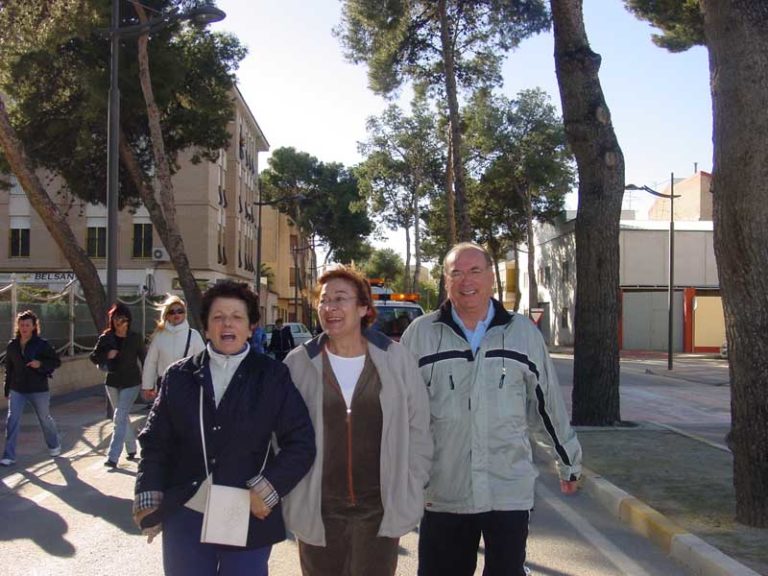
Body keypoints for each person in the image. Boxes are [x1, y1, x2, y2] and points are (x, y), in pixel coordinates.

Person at [401, 243, 582, 576]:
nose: (465, 280)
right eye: (456, 272)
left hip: (507, 491)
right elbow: (401, 414)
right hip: (444, 492)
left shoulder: (522, 334)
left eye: (474, 271)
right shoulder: (421, 335)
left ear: (491, 279)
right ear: (445, 280)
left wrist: (568, 461)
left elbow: (547, 405)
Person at [132, 280, 315, 576]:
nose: (227, 324)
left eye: (237, 317)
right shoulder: (179, 376)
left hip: (247, 510)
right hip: (186, 513)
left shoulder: (272, 376)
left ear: (251, 327)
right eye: (218, 317)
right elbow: (155, 442)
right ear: (205, 327)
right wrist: (148, 492)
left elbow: (301, 443)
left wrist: (268, 488)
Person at [283, 265, 432, 576]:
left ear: (363, 307)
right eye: (324, 300)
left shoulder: (396, 358)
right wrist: (290, 489)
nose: (330, 308)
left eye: (340, 299)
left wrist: (413, 482)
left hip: (379, 509)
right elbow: (279, 434)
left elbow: (419, 426)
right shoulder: (298, 364)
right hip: (318, 508)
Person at [1, 310, 62, 467]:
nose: (24, 327)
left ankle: (54, 444)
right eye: (21, 325)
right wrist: (7, 389)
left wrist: (40, 364)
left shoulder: (42, 344)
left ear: (34, 326)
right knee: (12, 420)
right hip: (17, 388)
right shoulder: (12, 345)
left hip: (38, 388)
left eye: (27, 325)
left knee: (44, 418)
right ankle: (9, 455)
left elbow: (56, 362)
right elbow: (9, 369)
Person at [89, 303, 146, 469]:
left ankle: (113, 456)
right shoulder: (106, 337)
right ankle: (132, 448)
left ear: (128, 320)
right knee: (122, 416)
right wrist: (107, 355)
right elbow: (94, 357)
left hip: (131, 382)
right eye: (115, 318)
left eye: (121, 318)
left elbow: (144, 358)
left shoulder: (135, 338)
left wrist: (148, 382)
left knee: (119, 417)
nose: (118, 322)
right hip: (112, 382)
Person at [141, 295, 205, 403]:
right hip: (165, 385)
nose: (176, 314)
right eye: (172, 312)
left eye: (180, 311)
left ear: (185, 314)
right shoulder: (159, 336)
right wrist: (147, 386)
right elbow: (151, 362)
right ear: (167, 315)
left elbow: (203, 362)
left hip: (187, 386)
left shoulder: (193, 335)